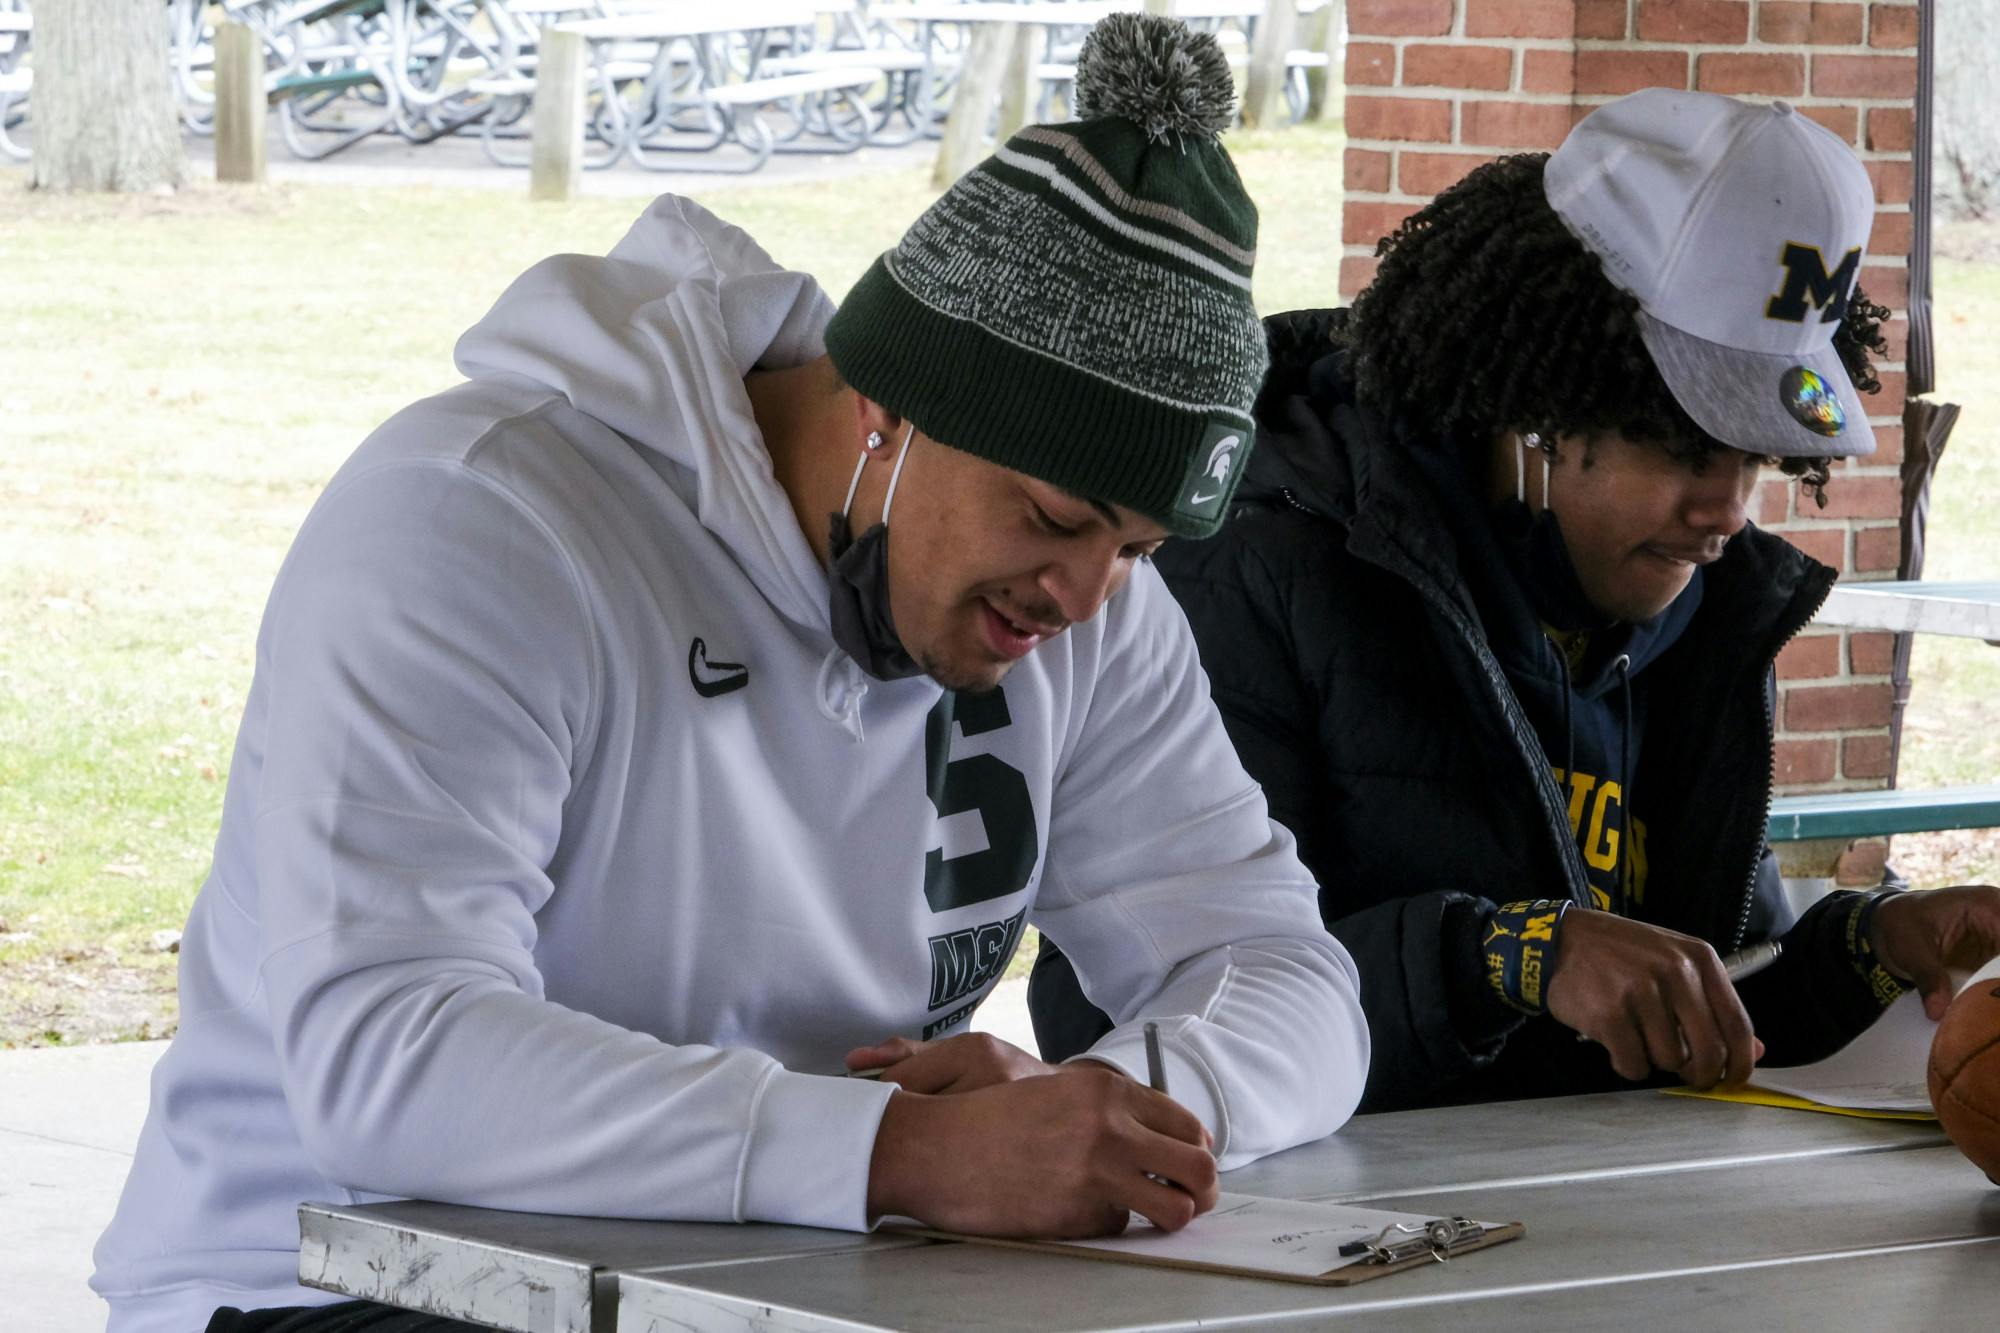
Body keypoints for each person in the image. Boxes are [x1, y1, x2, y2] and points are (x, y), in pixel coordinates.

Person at [91, 18, 1370, 1332]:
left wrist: (1125, 1118)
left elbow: (1285, 969)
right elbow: (384, 1054)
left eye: (1139, 546)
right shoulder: (476, 524)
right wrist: (896, 1152)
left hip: (768, 1280)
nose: (1087, 596)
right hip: (316, 1284)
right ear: (886, 404)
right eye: (1051, 516)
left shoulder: (1093, 615)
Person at [1030, 88, 2000, 1113]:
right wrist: (1502, 955)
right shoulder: (1257, 565)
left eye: (1757, 455)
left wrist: (1869, 946)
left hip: (1581, 1228)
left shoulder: (1702, 611)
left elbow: (1696, 1011)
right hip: (1313, 1239)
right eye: (1677, 446)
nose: (1724, 509)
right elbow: (1111, 1017)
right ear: (1535, 403)